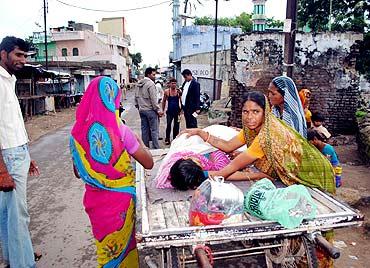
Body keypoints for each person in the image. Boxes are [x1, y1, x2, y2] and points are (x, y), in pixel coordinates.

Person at [69, 76, 153, 267]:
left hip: (95, 203)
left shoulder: (77, 133)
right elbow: (148, 163)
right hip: (121, 202)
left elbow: (78, 172)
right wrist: (139, 142)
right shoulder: (120, 131)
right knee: (124, 248)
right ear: (113, 99)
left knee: (106, 250)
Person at [182, 91, 335, 194]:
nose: (249, 117)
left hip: (312, 172)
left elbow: (231, 168)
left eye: (256, 112)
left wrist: (199, 175)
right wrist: (201, 132)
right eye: (245, 112)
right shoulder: (251, 129)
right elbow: (228, 146)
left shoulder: (266, 135)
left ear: (265, 112)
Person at [0, 36, 42, 268]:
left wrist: (27, 155)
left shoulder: (8, 80)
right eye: (18, 55)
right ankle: (23, 264)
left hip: (17, 152)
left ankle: (13, 260)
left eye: (25, 56)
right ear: (3, 54)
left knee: (8, 215)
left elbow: (10, 124)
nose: (22, 60)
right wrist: (2, 170)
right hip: (7, 156)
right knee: (18, 217)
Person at [135, 67, 163, 148]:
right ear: (148, 74)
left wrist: (139, 107)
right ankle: (156, 148)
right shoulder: (150, 84)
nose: (154, 76)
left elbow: (135, 98)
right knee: (154, 130)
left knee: (144, 130)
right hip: (150, 110)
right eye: (153, 75)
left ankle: (145, 148)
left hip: (142, 110)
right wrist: (158, 110)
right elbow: (154, 99)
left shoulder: (139, 84)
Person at [162, 78, 182, 145]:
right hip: (169, 111)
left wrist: (182, 110)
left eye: (175, 83)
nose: (174, 85)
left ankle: (175, 138)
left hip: (177, 111)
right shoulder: (167, 91)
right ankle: (167, 139)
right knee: (168, 125)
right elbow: (164, 101)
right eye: (172, 83)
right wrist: (163, 110)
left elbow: (181, 101)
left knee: (176, 126)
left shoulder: (178, 92)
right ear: (170, 84)